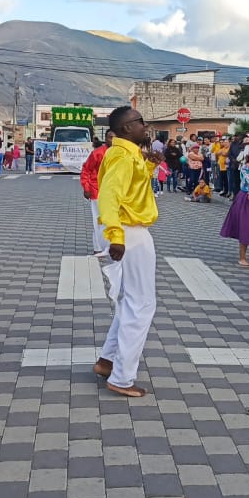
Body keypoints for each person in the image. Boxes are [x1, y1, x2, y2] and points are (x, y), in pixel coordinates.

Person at [92, 106, 160, 397]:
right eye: (139, 121)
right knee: (140, 305)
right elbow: (109, 196)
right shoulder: (121, 155)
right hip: (129, 232)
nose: (144, 126)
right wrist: (116, 236)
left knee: (132, 301)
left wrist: (150, 166)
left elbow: (133, 188)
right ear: (125, 129)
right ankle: (121, 378)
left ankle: (107, 361)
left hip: (132, 231)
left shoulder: (128, 153)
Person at [81, 131, 112, 256]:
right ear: (105, 138)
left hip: (114, 192)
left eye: (115, 137)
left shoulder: (121, 153)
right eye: (110, 137)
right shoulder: (97, 153)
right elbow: (86, 170)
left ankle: (110, 245)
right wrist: (86, 187)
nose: (113, 140)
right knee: (99, 219)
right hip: (97, 191)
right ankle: (98, 247)